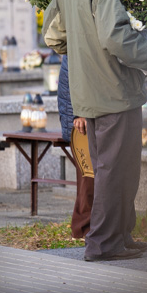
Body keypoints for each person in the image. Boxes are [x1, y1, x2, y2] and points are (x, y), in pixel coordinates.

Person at [43, 0, 147, 261]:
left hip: (87, 90)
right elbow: (117, 38)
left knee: (115, 168)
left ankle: (120, 234)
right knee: (116, 170)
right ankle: (102, 243)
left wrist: (82, 58)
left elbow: (53, 34)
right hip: (115, 91)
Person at [55, 54, 94, 239]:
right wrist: (79, 114)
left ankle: (88, 227)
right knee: (88, 177)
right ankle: (83, 228)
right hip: (80, 121)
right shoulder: (75, 46)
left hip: (81, 116)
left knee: (90, 177)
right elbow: (74, 82)